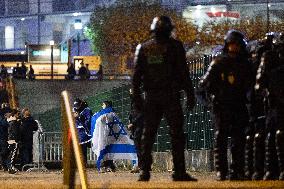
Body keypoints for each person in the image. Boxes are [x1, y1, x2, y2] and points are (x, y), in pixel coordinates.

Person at [132, 16, 196, 181]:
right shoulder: (175, 46)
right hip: (170, 96)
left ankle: (144, 171)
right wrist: (190, 93)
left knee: (148, 135)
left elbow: (136, 76)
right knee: (176, 134)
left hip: (152, 96)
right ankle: (179, 171)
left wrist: (137, 98)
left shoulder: (143, 48)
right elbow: (184, 73)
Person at [197, 30, 253, 181]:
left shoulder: (246, 65)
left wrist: (249, 98)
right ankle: (222, 171)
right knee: (220, 138)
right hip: (222, 106)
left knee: (238, 139)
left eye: (237, 45)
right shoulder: (219, 63)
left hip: (238, 104)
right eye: (232, 45)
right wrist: (211, 101)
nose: (234, 48)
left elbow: (251, 85)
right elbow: (203, 85)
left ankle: (237, 170)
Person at [255, 32, 284, 180]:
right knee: (274, 135)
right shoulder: (269, 57)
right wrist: (267, 94)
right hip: (275, 103)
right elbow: (259, 82)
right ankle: (271, 170)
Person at [127, 88, 144, 173]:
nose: (130, 94)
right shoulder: (134, 102)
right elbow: (133, 113)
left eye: (131, 92)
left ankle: (142, 165)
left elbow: (141, 114)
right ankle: (141, 165)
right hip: (136, 127)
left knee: (139, 146)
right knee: (138, 146)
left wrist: (132, 123)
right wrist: (130, 120)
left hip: (139, 126)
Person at [73, 98, 92, 166]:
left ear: (81, 104)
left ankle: (83, 163)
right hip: (77, 131)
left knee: (82, 147)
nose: (76, 108)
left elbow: (88, 121)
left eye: (78, 106)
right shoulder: (74, 109)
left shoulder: (87, 110)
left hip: (84, 131)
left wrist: (79, 117)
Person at [6, 109, 21, 174]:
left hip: (10, 139)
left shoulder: (10, 121)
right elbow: (15, 132)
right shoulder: (14, 122)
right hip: (13, 140)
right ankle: (11, 167)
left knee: (11, 154)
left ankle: (10, 167)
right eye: (18, 114)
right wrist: (17, 140)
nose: (18, 115)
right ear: (15, 114)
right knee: (13, 155)